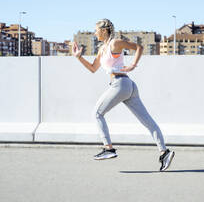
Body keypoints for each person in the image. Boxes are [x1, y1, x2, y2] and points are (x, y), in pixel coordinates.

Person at [72, 18, 175, 171]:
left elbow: (138, 47)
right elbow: (93, 68)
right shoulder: (102, 49)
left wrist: (133, 64)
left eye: (96, 30)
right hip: (128, 86)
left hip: (121, 84)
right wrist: (79, 57)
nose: (94, 33)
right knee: (147, 121)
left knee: (97, 113)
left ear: (104, 30)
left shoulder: (115, 43)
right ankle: (164, 152)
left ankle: (108, 148)